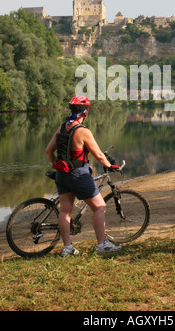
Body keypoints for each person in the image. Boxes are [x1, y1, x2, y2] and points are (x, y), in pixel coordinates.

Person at [46, 95, 121, 257]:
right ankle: (102, 245)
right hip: (78, 175)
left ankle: (67, 248)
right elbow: (99, 156)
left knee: (65, 211)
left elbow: (48, 151)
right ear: (85, 113)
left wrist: (55, 164)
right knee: (100, 207)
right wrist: (111, 165)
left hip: (62, 174)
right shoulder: (82, 131)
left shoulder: (62, 128)